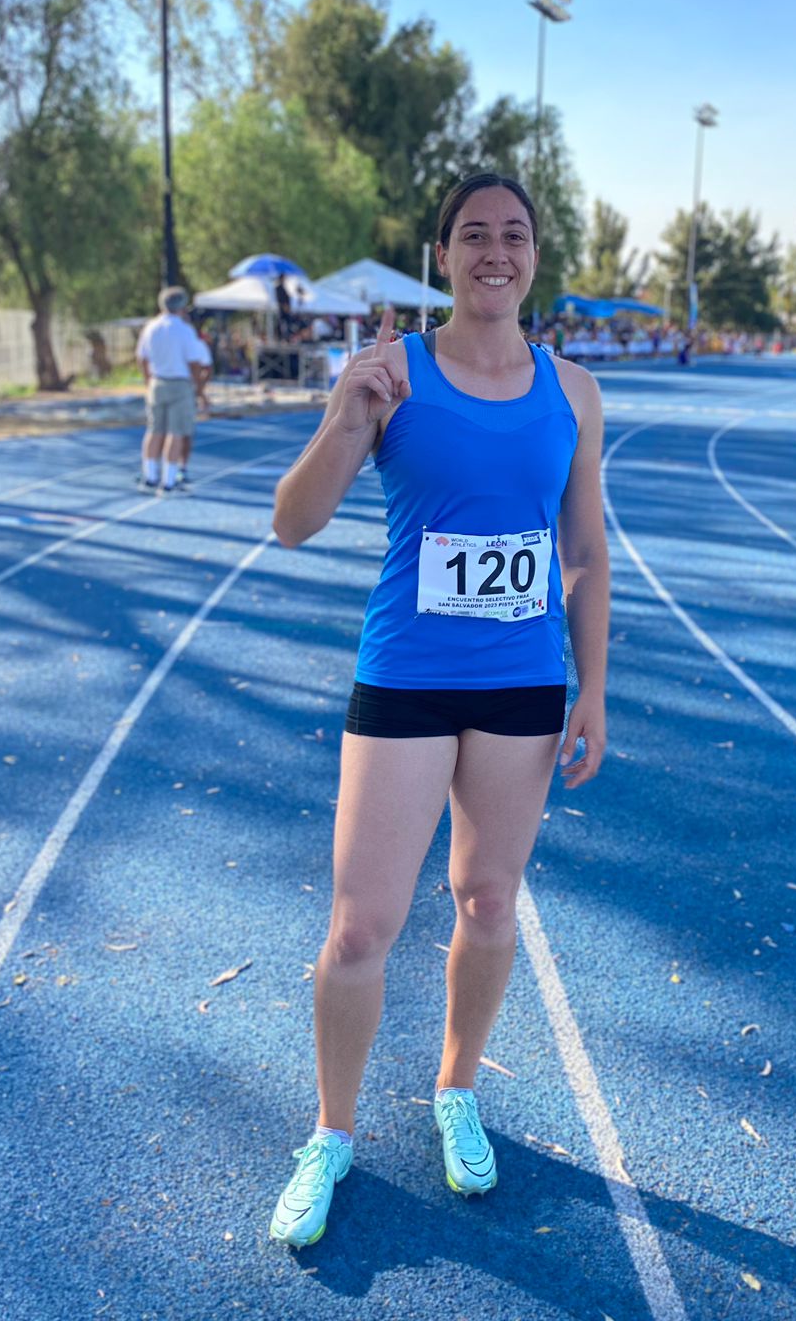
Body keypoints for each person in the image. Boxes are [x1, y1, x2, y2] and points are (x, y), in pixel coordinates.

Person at [267, 172, 609, 1248]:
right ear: (444, 254)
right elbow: (292, 522)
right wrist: (345, 414)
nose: (495, 251)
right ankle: (330, 1133)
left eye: (514, 234)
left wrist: (594, 688)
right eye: (474, 235)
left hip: (522, 687)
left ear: (534, 255)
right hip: (408, 678)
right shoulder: (393, 373)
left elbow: (585, 553)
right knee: (361, 925)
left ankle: (457, 1089)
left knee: (488, 901)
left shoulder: (574, 390)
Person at [134, 287, 209, 492]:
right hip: (179, 383)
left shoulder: (151, 327)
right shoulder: (184, 330)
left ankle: (149, 477)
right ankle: (168, 481)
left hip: (157, 382)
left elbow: (142, 358)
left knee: (154, 430)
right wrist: (197, 387)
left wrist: (148, 380)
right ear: (182, 306)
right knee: (176, 433)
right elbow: (194, 362)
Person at [176, 316, 213, 488]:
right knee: (164, 432)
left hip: (185, 390)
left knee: (182, 431)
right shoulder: (165, 337)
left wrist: (199, 391)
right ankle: (159, 470)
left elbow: (207, 369)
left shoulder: (197, 344)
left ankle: (180, 468)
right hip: (172, 389)